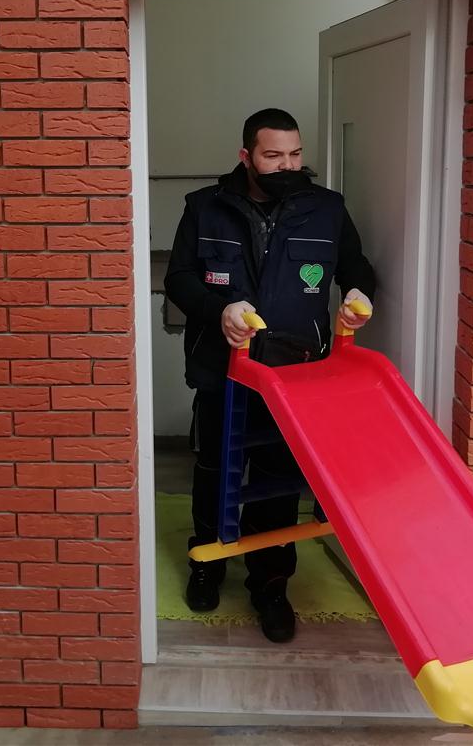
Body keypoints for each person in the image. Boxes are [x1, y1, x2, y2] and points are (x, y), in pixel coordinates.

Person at [163, 107, 377, 643]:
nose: (287, 165)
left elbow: (356, 266)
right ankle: (208, 562)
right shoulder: (205, 207)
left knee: (277, 479)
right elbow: (180, 278)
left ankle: (271, 583)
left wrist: (359, 293)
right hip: (221, 369)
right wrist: (219, 309)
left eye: (295, 154)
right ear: (246, 156)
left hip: (293, 374)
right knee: (215, 469)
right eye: (273, 155)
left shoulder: (327, 208)